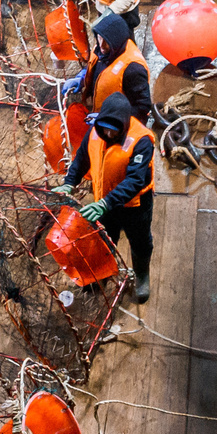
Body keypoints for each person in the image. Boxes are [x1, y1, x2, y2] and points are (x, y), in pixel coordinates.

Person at [59, 91, 154, 306]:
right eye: (105, 129)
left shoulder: (142, 140)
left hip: (135, 206)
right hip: (104, 203)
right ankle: (99, 274)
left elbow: (135, 180)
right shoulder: (95, 131)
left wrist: (105, 203)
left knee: (140, 243)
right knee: (103, 239)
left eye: (114, 130)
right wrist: (69, 183)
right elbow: (81, 159)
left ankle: (142, 276)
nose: (109, 134)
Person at [76, 10, 154, 126]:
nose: (101, 45)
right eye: (99, 38)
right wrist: (82, 77)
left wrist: (109, 118)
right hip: (100, 118)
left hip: (118, 126)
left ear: (116, 41)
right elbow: (99, 69)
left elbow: (142, 108)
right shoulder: (100, 49)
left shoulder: (133, 69)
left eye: (106, 41)